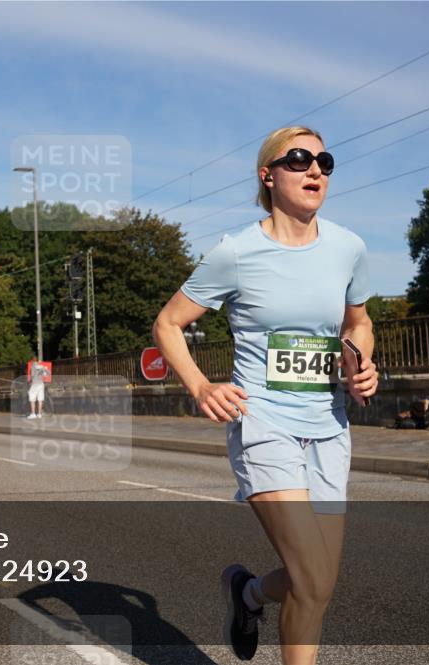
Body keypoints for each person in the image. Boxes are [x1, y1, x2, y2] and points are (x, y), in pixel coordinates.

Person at [153, 126, 378, 664]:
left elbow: (360, 322)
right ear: (268, 175)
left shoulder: (349, 247)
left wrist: (360, 363)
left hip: (329, 425)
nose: (315, 169)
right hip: (264, 424)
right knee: (312, 575)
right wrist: (201, 385)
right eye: (299, 159)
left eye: (324, 160)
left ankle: (248, 593)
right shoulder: (237, 252)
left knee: (319, 583)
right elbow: (167, 323)